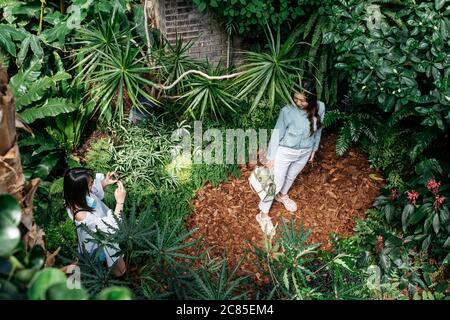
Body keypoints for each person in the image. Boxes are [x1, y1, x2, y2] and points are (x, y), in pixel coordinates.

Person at [256, 80, 325, 235]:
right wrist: (271, 157)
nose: (298, 102)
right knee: (276, 182)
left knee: (292, 176)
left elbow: (318, 130)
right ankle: (262, 214)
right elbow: (277, 133)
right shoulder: (286, 111)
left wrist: (314, 149)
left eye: (302, 100)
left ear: (312, 98)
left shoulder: (320, 107)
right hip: (285, 151)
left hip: (304, 152)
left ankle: (282, 196)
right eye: (296, 98)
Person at [63, 167, 127, 277]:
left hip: (98, 235)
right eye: (91, 184)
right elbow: (111, 227)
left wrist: (105, 182)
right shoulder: (82, 215)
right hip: (99, 242)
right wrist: (120, 202)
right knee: (120, 271)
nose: (93, 186)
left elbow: (93, 192)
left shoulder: (74, 196)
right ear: (81, 189)